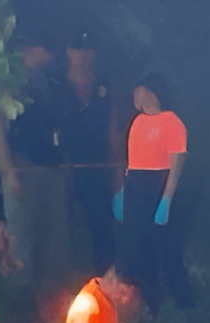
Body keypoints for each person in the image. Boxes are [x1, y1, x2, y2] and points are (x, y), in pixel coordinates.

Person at [0, 38, 71, 291]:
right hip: (23, 168)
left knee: (54, 237)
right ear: (29, 50)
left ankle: (52, 301)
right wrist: (9, 170)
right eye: (42, 48)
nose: (48, 54)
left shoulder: (51, 83)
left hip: (53, 168)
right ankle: (19, 303)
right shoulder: (8, 84)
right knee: (21, 239)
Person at [113, 73, 193, 313]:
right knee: (135, 243)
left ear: (149, 92)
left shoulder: (171, 122)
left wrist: (167, 198)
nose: (134, 97)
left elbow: (177, 161)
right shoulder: (137, 122)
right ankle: (147, 301)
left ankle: (183, 302)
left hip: (158, 183)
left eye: (137, 91)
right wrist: (123, 191)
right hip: (136, 184)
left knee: (165, 246)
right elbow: (132, 159)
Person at [57, 31, 120, 275]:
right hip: (62, 167)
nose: (83, 55)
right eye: (78, 49)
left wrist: (116, 172)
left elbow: (112, 131)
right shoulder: (57, 85)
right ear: (68, 52)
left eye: (88, 49)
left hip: (96, 168)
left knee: (102, 226)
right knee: (61, 226)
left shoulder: (103, 86)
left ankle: (105, 278)